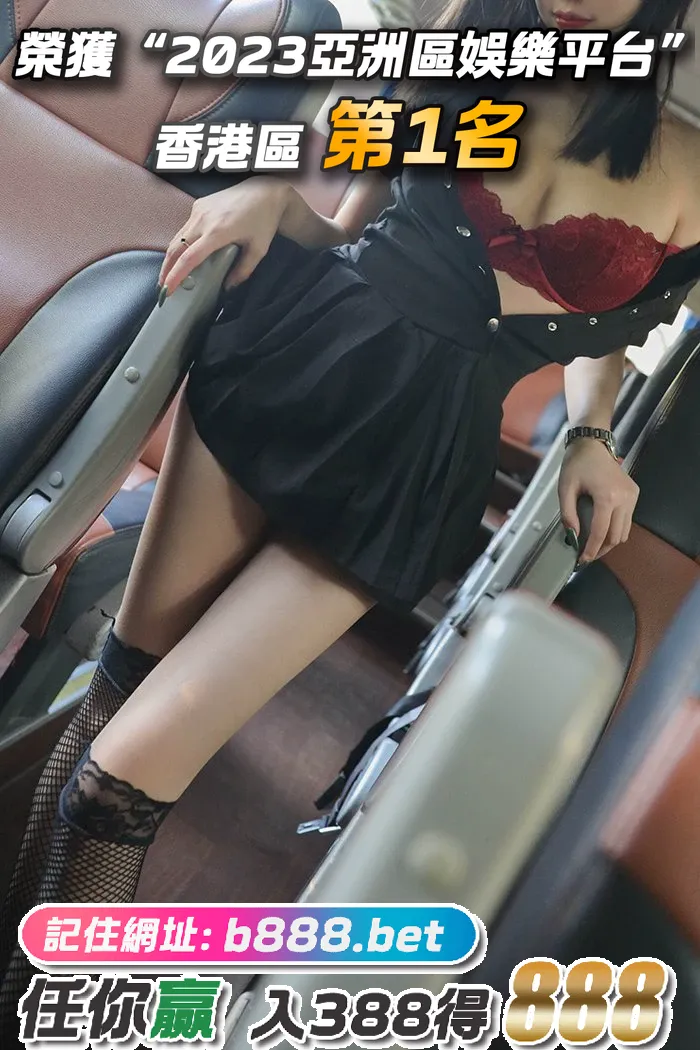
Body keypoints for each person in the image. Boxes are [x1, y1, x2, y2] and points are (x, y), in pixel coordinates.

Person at [2, 0, 700, 1033]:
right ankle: (29, 987)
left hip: (411, 470)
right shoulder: (457, 49)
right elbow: (343, 229)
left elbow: (608, 330)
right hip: (290, 358)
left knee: (120, 782)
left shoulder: (686, 168)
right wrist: (271, 198)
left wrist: (590, 434)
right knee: (113, 701)